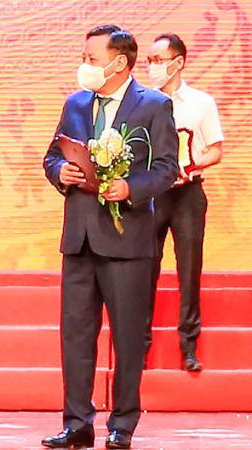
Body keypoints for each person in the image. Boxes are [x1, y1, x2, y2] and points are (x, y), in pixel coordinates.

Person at [41, 25, 178, 449]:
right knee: (76, 335)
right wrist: (60, 173)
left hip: (127, 238)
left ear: (119, 62)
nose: (85, 65)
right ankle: (77, 423)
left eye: (92, 59)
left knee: (127, 336)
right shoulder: (76, 103)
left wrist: (130, 188)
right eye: (84, 58)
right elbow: (51, 155)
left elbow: (167, 168)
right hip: (79, 238)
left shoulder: (153, 105)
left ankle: (122, 424)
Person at [145, 33, 224, 372]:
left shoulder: (201, 103)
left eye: (158, 60)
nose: (152, 67)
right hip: (152, 195)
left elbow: (216, 150)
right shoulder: (142, 101)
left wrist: (190, 166)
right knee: (144, 269)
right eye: (149, 61)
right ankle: (139, 346)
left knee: (189, 270)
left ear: (178, 62)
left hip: (188, 195)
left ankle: (189, 347)